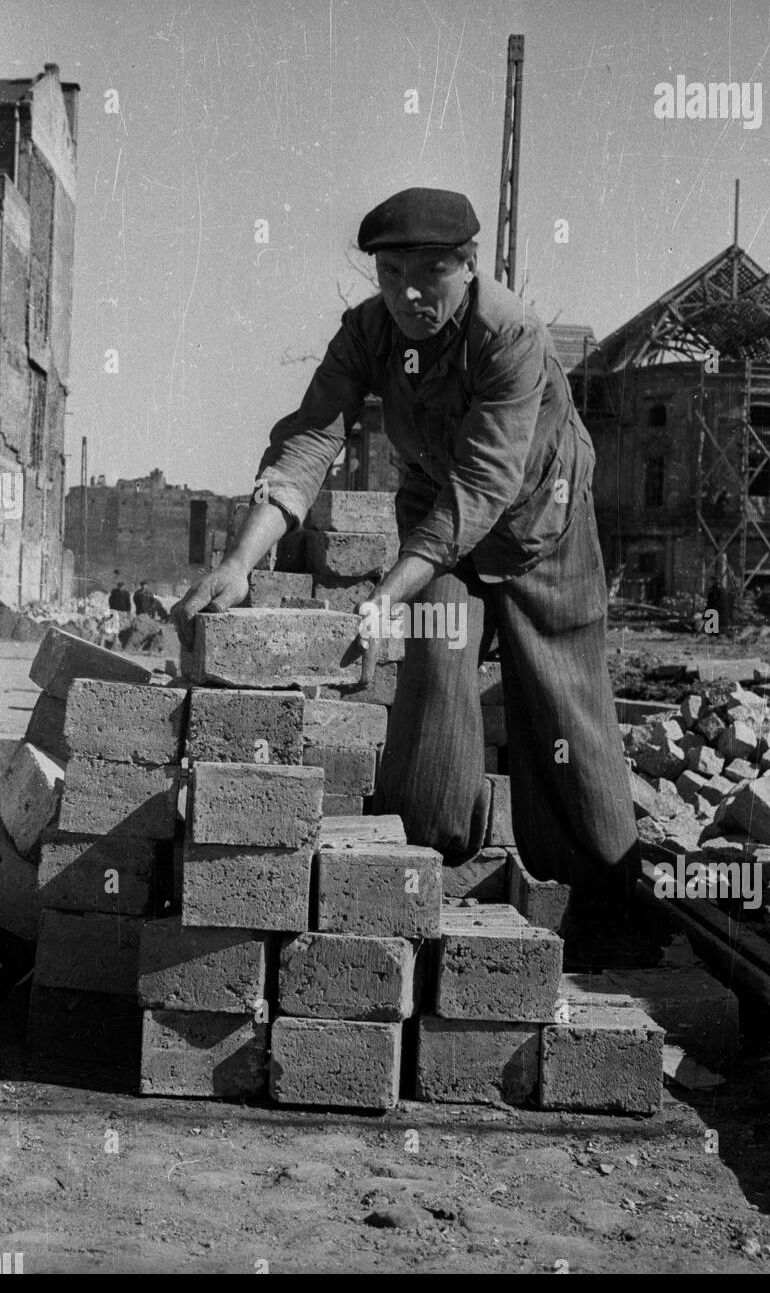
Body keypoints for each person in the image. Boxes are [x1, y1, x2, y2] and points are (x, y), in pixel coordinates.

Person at [174, 187, 639, 912]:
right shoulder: (367, 332)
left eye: (430, 274)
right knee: (435, 665)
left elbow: (486, 482)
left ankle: (605, 898)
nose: (407, 295)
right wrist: (237, 562)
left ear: (468, 264)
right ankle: (417, 870)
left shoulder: (509, 333)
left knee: (560, 705)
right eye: (390, 276)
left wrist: (387, 592)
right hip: (439, 523)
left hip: (538, 523)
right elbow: (309, 439)